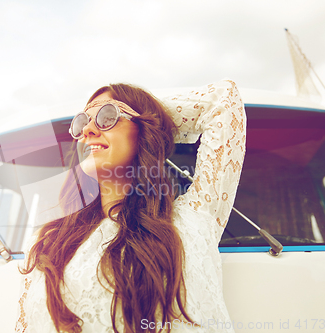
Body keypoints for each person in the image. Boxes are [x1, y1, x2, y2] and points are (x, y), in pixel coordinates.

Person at [15, 79, 246, 333]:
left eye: (107, 116)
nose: (88, 130)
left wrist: (153, 117)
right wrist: (115, 113)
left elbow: (224, 98)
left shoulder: (194, 217)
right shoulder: (49, 240)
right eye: (82, 122)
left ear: (143, 130)